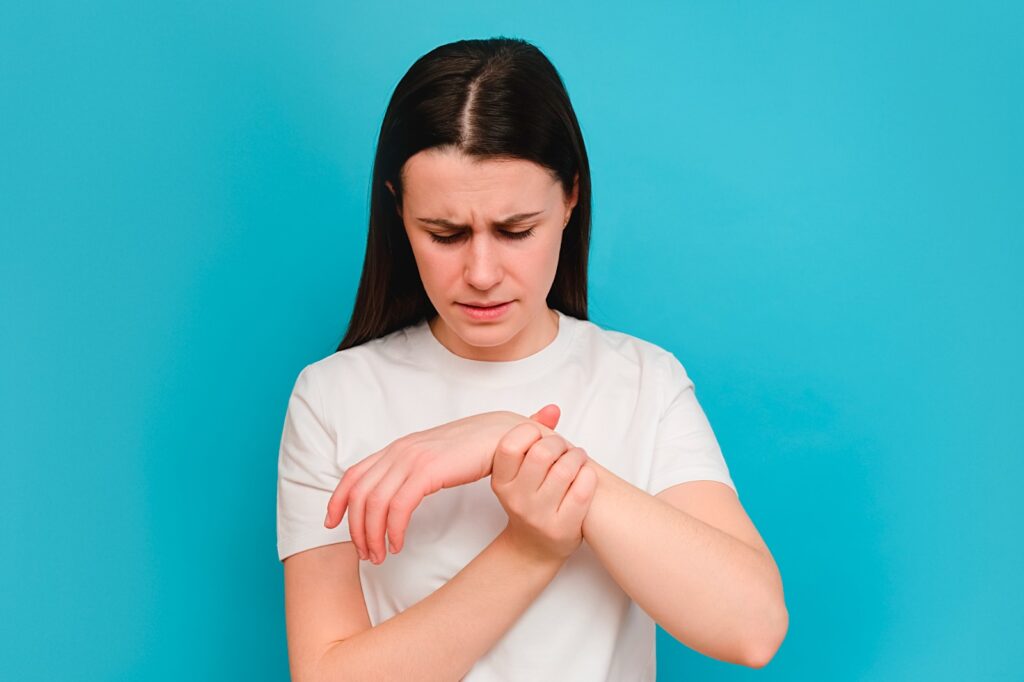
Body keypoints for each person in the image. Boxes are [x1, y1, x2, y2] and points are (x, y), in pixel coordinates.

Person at [276, 37, 788, 681]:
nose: (481, 273)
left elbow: (754, 628)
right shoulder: (332, 397)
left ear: (570, 198)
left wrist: (510, 442)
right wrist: (529, 550)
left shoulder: (644, 382)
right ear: (397, 208)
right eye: (445, 234)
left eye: (516, 230)